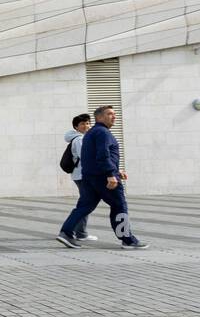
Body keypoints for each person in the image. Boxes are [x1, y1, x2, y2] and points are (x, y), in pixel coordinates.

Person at [56, 105, 149, 249]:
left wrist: (116, 171)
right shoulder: (102, 133)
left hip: (89, 177)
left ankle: (66, 233)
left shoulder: (92, 133)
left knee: (85, 205)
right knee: (119, 205)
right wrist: (111, 174)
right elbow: (103, 155)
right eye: (110, 114)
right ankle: (128, 239)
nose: (114, 116)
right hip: (103, 178)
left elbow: (94, 157)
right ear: (99, 117)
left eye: (114, 113)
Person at [62, 113, 97, 242]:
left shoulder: (82, 138)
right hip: (83, 175)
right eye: (82, 124)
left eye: (88, 123)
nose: (86, 126)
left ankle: (79, 231)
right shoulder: (80, 139)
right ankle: (80, 233)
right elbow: (86, 157)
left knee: (85, 202)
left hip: (81, 175)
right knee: (86, 203)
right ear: (76, 127)